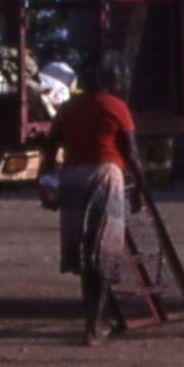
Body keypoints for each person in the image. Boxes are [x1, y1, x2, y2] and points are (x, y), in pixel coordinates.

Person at [41, 54, 139, 346]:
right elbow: (131, 154)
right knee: (105, 252)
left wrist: (47, 184)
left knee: (84, 253)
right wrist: (142, 188)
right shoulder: (117, 107)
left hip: (73, 178)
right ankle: (93, 326)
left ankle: (92, 319)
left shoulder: (69, 108)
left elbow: (50, 149)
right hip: (106, 177)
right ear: (108, 79)